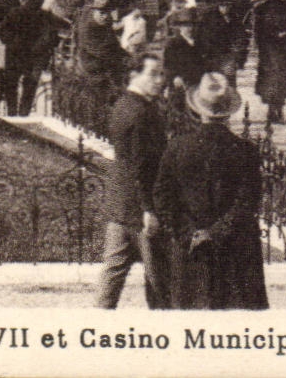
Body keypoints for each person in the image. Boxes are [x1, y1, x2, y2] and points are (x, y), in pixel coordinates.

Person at [153, 72, 268, 310]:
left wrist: (190, 233)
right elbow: (247, 202)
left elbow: (163, 199)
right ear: (229, 113)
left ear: (198, 110)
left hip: (191, 252)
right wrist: (215, 233)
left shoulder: (177, 148)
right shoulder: (245, 151)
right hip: (235, 251)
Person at [95, 54, 171, 309]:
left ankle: (95, 325)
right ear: (134, 75)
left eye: (161, 74)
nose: (160, 80)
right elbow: (141, 167)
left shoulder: (124, 105)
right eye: (153, 73)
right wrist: (149, 209)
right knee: (159, 278)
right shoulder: (141, 113)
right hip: (140, 209)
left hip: (120, 204)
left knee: (113, 271)